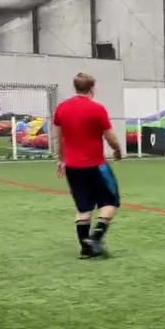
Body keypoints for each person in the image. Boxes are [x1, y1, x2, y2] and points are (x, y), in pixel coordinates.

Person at [52, 72, 123, 259]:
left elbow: (58, 137)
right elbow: (110, 137)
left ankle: (85, 249)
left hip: (72, 167)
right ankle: (95, 239)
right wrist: (117, 150)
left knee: (84, 208)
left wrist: (61, 159)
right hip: (96, 165)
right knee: (110, 202)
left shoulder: (61, 108)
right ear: (92, 88)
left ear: (75, 87)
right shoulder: (97, 109)